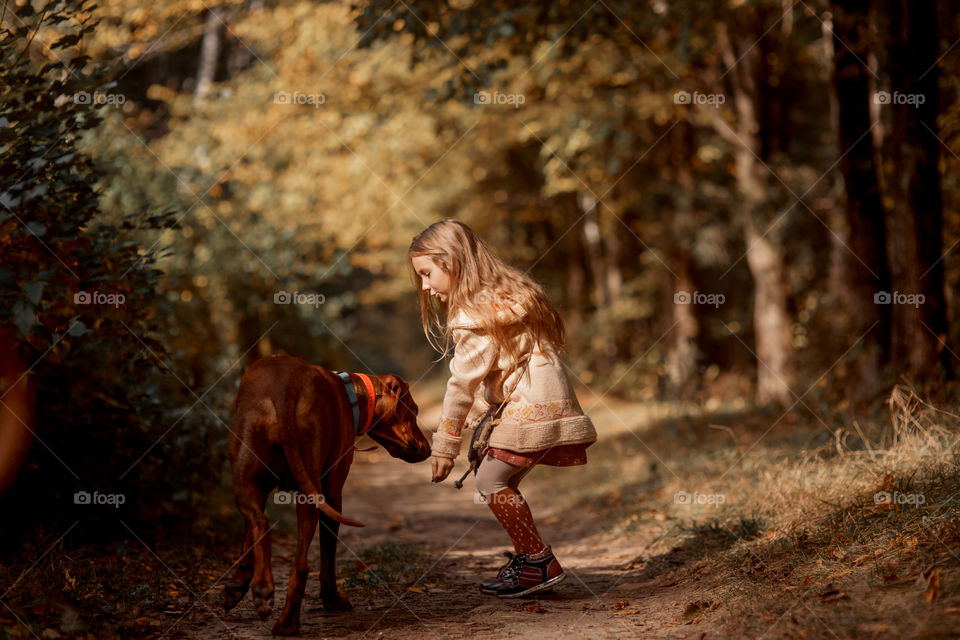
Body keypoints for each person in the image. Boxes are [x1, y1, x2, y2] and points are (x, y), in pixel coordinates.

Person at [408, 219, 597, 598]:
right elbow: (504, 366)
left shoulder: (472, 316)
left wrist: (445, 445)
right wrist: (486, 408)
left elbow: (461, 384)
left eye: (427, 273)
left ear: (452, 262)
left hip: (531, 402)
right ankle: (532, 561)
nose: (425, 286)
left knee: (489, 481)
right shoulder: (503, 296)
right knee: (499, 479)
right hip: (546, 395)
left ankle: (538, 562)